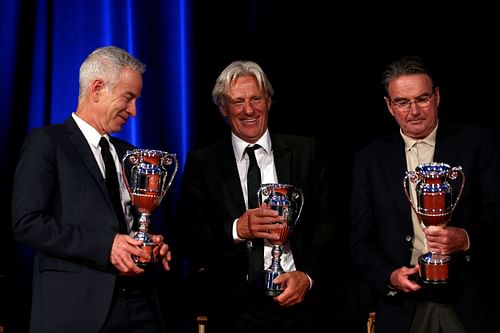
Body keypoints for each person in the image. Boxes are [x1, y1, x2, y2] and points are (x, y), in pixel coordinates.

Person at [11, 46, 172, 333]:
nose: (134, 111)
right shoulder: (48, 143)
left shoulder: (130, 154)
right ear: (97, 88)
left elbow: (133, 224)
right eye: (128, 97)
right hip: (76, 311)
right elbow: (27, 223)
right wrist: (106, 245)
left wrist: (150, 246)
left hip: (140, 306)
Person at [176, 60, 335, 332]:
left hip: (300, 305)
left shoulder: (306, 151)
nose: (248, 109)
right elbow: (188, 236)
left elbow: (328, 223)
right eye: (237, 101)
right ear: (223, 109)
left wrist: (306, 277)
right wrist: (239, 228)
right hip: (233, 310)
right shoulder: (204, 163)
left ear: (269, 101)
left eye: (256, 98)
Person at [350, 55, 500, 332]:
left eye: (422, 99)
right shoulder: (369, 159)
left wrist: (465, 238)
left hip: (470, 301)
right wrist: (389, 276)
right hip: (404, 306)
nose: (414, 110)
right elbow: (360, 242)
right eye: (403, 102)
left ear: (437, 96)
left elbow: (497, 212)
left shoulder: (477, 143)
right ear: (389, 106)